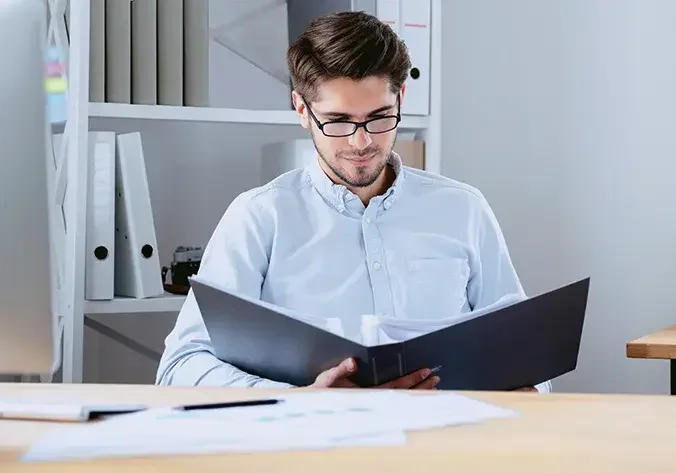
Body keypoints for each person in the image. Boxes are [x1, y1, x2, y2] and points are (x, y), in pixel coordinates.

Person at [155, 11, 549, 393]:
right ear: (301, 109)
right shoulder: (259, 218)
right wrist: (298, 398)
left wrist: (529, 388)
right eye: (339, 121)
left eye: (379, 118)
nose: (361, 143)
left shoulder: (463, 209)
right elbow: (181, 365)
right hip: (314, 449)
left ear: (401, 98)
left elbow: (528, 355)